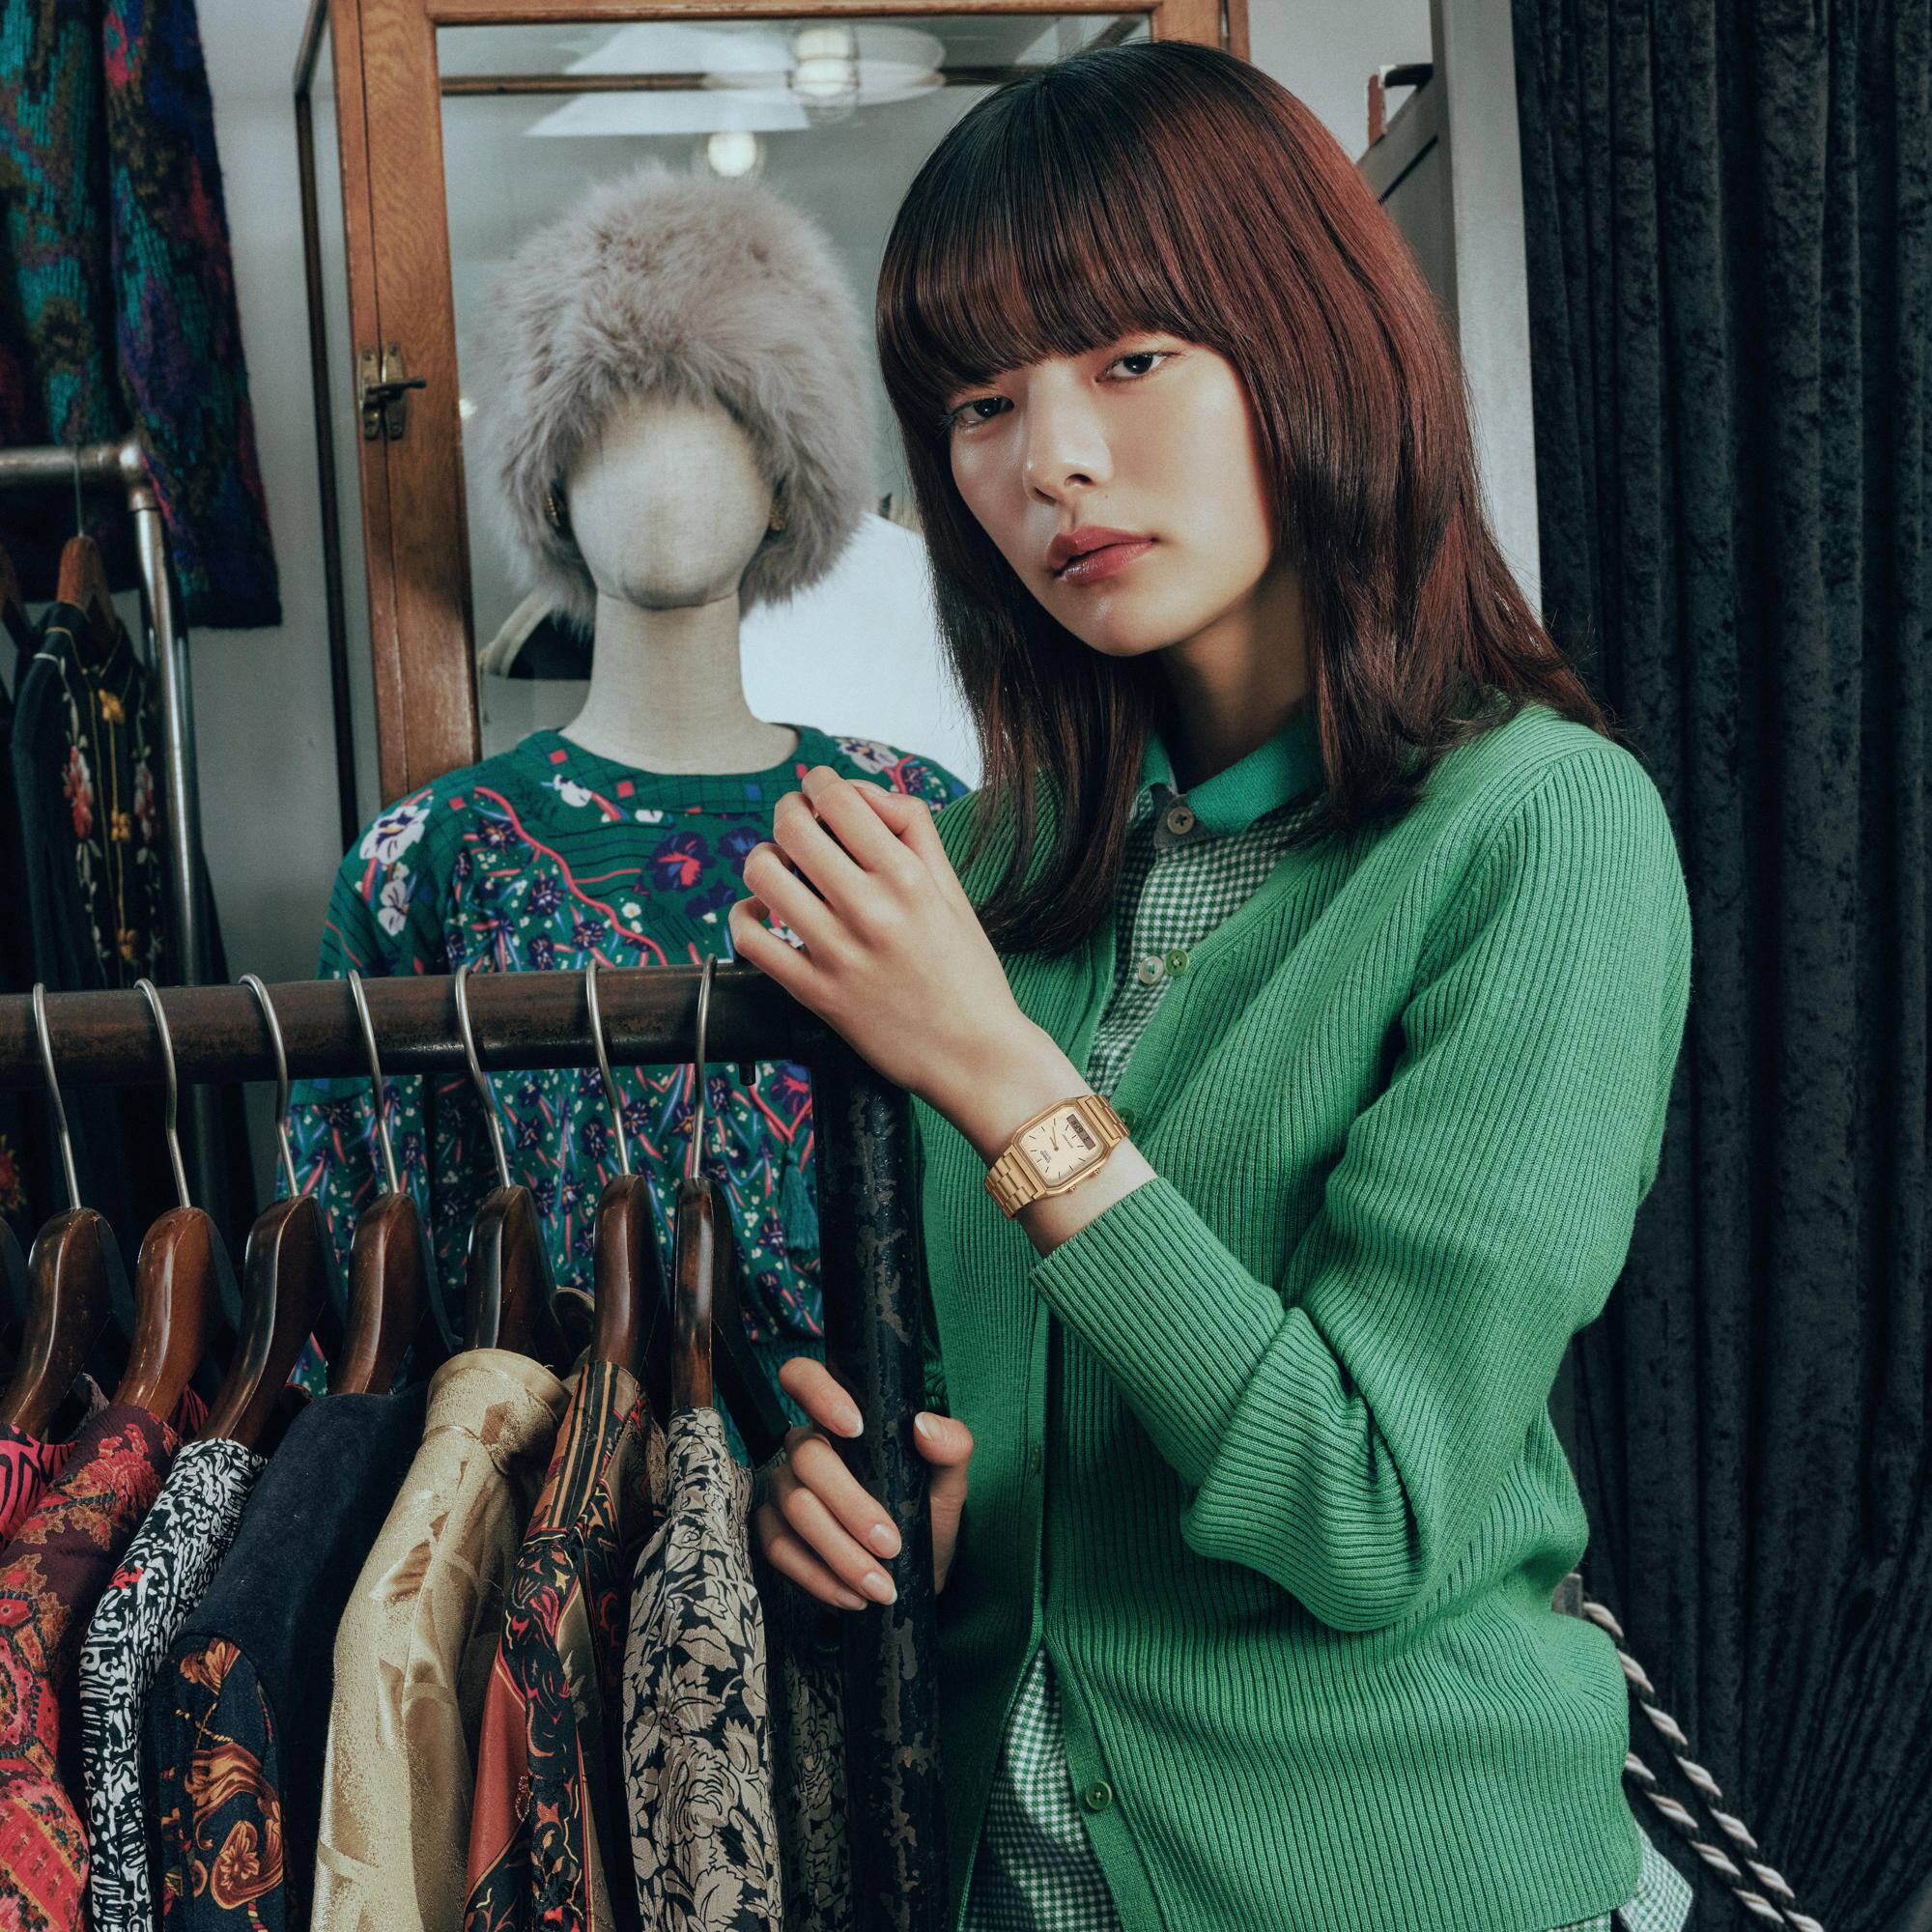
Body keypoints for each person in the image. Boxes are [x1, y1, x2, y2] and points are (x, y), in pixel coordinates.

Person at [730, 41, 1696, 1932]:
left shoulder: (1540, 833)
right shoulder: (980, 880)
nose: (1049, 462)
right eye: (982, 403)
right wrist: (848, 1506)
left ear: (1312, 342)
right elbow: (988, 1438)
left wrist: (1003, 1080)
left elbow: (1367, 1509)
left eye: (1130, 359)